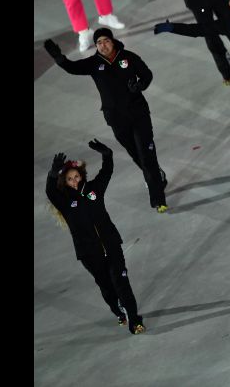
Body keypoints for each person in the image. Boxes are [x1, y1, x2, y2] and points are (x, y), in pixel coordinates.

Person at [43, 28, 168, 213]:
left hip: (138, 114)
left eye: (106, 41)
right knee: (136, 153)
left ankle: (158, 199)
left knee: (146, 154)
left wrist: (140, 85)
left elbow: (147, 74)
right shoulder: (94, 63)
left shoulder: (128, 57)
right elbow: (72, 68)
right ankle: (157, 176)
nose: (103, 45)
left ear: (113, 41)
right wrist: (59, 58)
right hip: (116, 119)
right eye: (99, 42)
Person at [45, 140, 146, 334]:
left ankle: (134, 321)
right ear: (65, 182)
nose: (74, 181)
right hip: (89, 254)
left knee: (121, 282)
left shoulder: (94, 189)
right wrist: (52, 174)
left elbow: (107, 172)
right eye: (69, 179)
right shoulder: (65, 202)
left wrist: (107, 155)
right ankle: (118, 310)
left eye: (76, 176)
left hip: (111, 244)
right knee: (107, 287)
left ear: (81, 175)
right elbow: (50, 192)